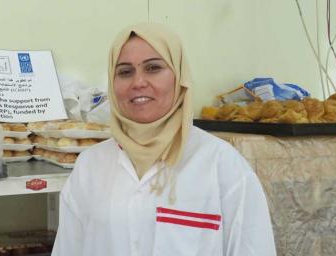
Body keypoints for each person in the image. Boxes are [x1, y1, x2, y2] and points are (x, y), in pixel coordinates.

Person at [51, 23, 276, 256]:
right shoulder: (90, 166)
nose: (138, 82)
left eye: (153, 68)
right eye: (125, 72)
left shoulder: (224, 167)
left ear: (179, 77)